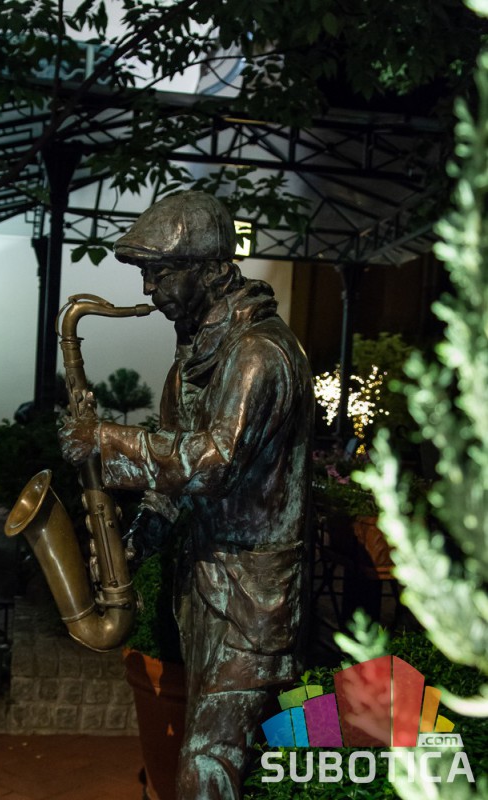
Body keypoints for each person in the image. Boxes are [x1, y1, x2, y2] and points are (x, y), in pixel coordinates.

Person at [59, 191, 314, 799]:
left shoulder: (259, 355)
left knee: (208, 763)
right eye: (146, 275)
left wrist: (105, 440)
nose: (149, 291)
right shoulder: (193, 361)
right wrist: (135, 541)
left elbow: (213, 462)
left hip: (254, 600)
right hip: (207, 588)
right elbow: (175, 483)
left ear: (212, 269)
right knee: (225, 759)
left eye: (161, 273)